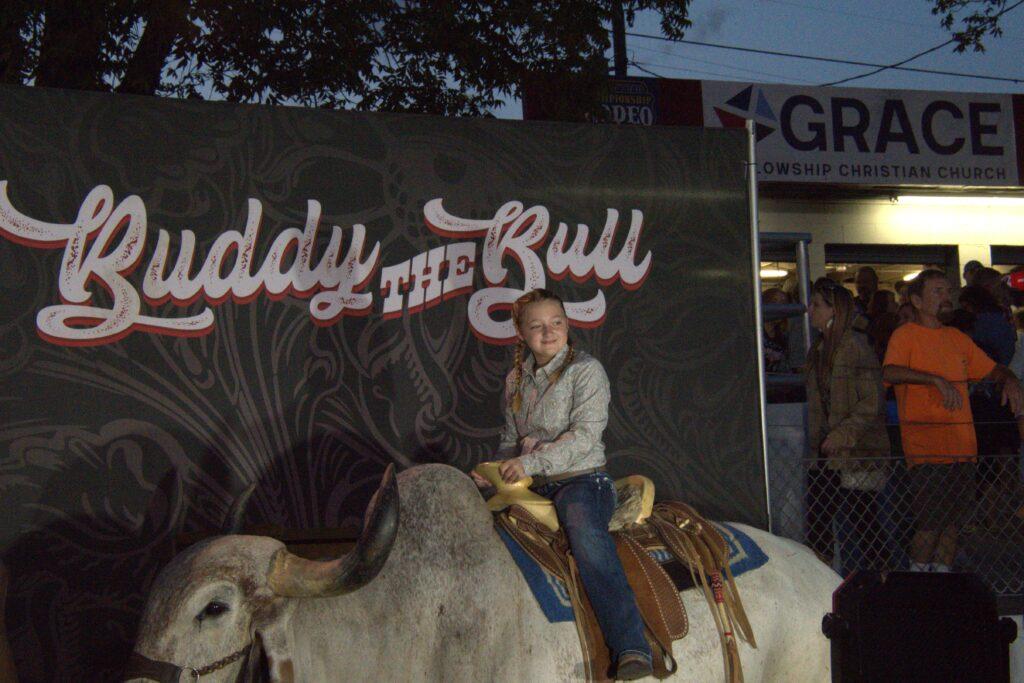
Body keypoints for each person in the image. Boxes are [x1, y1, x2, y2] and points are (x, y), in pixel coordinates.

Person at [474, 288, 653, 680]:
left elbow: (585, 438)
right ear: (520, 333)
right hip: (531, 482)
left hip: (582, 481)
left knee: (586, 538)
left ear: (568, 326)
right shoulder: (516, 379)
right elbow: (510, 437)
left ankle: (631, 645)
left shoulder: (586, 371)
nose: (548, 331)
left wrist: (529, 461)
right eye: (536, 325)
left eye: (556, 322)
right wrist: (493, 469)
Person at [882, 270, 1024, 572]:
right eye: (937, 292)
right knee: (930, 523)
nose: (946, 297)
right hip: (928, 449)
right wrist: (933, 379)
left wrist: (1009, 378)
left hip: (962, 446)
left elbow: (991, 369)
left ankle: (942, 582)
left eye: (948, 291)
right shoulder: (905, 335)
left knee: (953, 525)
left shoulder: (957, 338)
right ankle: (919, 583)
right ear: (917, 300)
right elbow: (889, 372)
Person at [805, 279, 891, 577]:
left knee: (860, 516)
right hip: (831, 451)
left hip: (854, 450)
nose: (809, 309)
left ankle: (883, 578)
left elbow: (870, 400)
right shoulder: (821, 348)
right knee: (828, 517)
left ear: (834, 310)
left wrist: (842, 434)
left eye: (816, 304)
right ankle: (829, 575)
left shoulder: (853, 346)